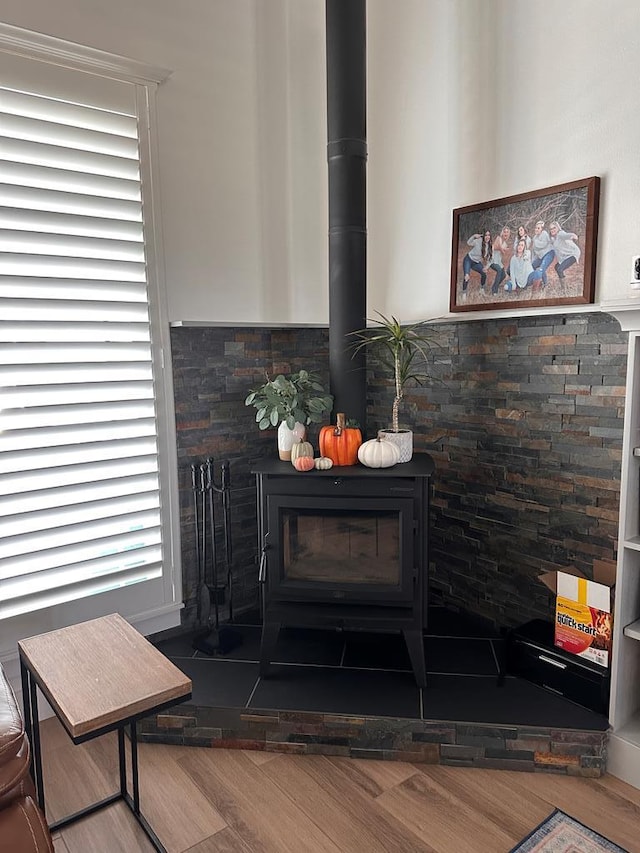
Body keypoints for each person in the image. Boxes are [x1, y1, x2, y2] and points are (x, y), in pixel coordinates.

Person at [461, 230, 492, 295]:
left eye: (488, 235)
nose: (487, 237)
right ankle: (464, 293)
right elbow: (468, 243)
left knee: (484, 273)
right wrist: (474, 236)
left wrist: (486, 267)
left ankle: (482, 289)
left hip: (476, 263)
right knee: (466, 276)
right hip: (468, 260)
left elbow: (490, 259)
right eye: (486, 235)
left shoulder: (489, 246)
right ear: (483, 236)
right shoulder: (479, 241)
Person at [530, 220, 555, 286]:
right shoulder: (534, 238)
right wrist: (532, 261)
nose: (536, 229)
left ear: (542, 229)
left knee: (542, 268)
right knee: (533, 266)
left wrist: (535, 242)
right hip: (541, 256)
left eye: (538, 228)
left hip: (549, 253)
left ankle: (545, 284)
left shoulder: (544, 233)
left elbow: (543, 244)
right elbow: (534, 252)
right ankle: (541, 282)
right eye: (536, 228)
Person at [489, 226, 511, 294]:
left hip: (498, 261)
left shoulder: (505, 244)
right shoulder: (499, 238)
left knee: (503, 275)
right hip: (492, 260)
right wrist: (502, 249)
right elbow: (495, 247)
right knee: (499, 270)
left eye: (507, 232)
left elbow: (503, 253)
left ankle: (494, 286)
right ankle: (494, 291)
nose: (506, 233)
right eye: (504, 232)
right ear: (502, 233)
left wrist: (502, 249)